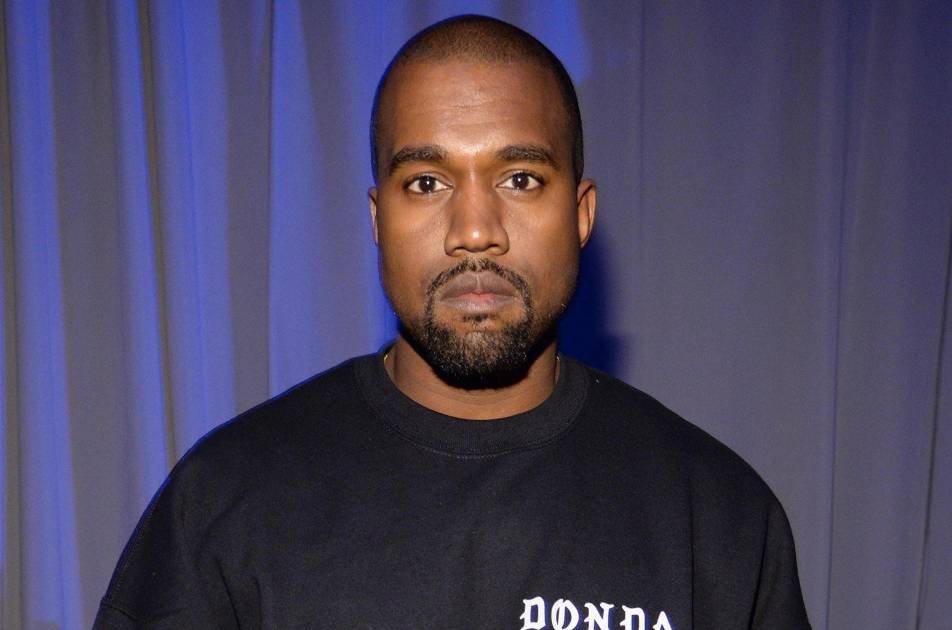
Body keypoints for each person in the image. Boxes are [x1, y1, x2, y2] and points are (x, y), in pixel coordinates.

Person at [94, 15, 811, 630]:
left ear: (581, 214)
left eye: (520, 179)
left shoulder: (714, 516)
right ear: (378, 219)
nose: (474, 230)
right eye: (426, 182)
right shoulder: (226, 502)